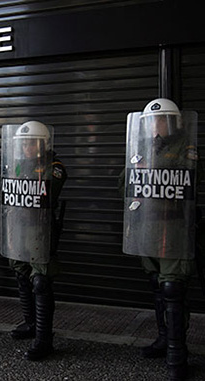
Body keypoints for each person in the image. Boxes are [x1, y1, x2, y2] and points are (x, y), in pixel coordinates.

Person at [120, 98, 201, 381]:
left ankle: (178, 355)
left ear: (173, 122)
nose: (156, 126)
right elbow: (125, 184)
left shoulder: (186, 147)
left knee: (172, 288)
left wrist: (150, 167)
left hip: (175, 227)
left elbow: (186, 177)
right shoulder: (144, 147)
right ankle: (163, 340)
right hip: (148, 226)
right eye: (152, 121)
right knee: (156, 284)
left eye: (161, 120)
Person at [1, 121, 67, 361]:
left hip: (40, 232)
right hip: (19, 230)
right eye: (23, 144)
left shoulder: (54, 167)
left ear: (43, 144)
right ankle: (30, 323)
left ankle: (44, 338)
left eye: (31, 143)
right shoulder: (18, 166)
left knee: (40, 281)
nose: (26, 147)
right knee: (21, 274)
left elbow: (46, 192)